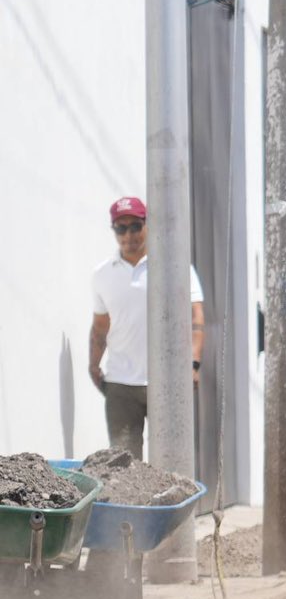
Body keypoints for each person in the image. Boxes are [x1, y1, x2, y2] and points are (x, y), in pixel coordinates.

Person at [89, 197, 204, 459]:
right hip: (120, 385)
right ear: (114, 230)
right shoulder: (102, 274)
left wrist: (193, 364)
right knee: (124, 467)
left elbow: (196, 316)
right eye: (121, 228)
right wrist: (93, 364)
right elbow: (100, 327)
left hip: (168, 382)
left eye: (135, 226)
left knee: (172, 462)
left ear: (147, 225)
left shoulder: (173, 267)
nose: (128, 234)